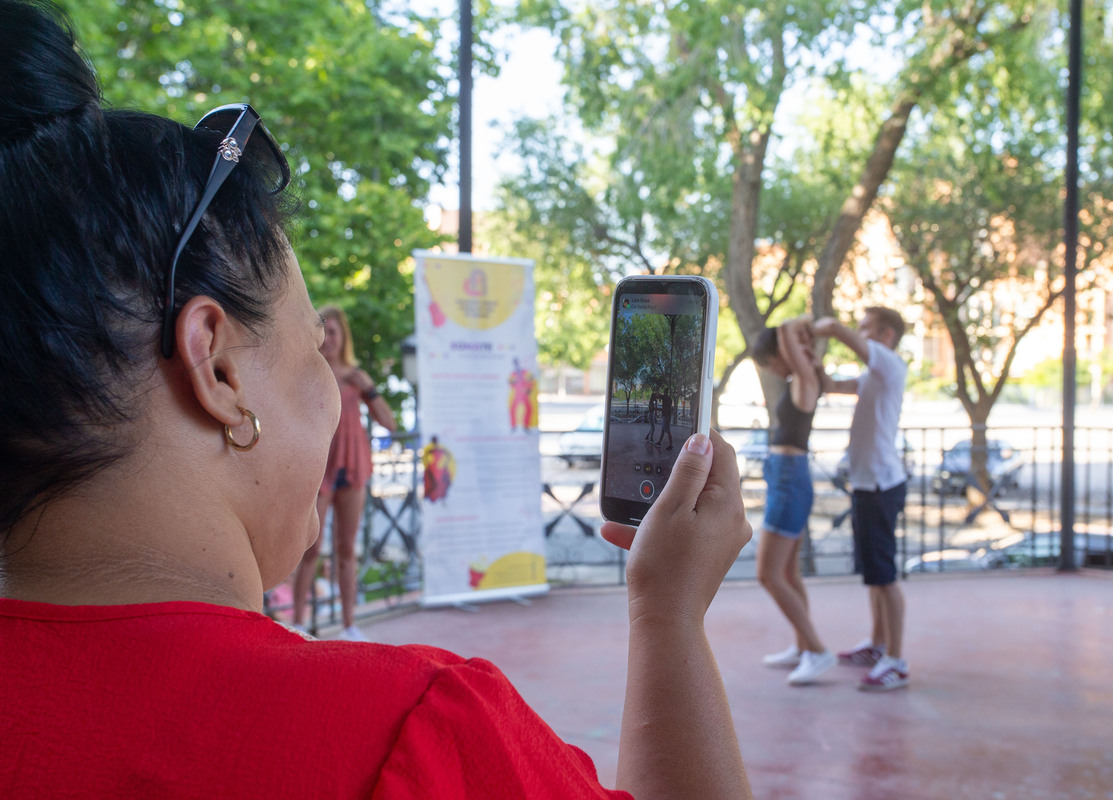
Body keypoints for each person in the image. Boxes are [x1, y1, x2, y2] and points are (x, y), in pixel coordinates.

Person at [0, 2, 754, 796]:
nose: (328, 386)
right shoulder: (411, 730)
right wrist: (667, 616)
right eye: (308, 355)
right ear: (215, 368)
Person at [811, 307, 910, 692]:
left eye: (867, 327)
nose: (861, 333)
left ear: (886, 335)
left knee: (885, 577)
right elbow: (831, 386)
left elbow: (836, 328)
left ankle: (896, 661)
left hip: (882, 485)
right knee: (874, 574)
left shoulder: (888, 363)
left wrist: (818, 328)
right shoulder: (874, 373)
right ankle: (878, 644)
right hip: (869, 485)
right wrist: (814, 362)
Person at [291, 305, 397, 641]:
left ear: (343, 336)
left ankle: (350, 625)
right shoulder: (307, 373)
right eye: (324, 330)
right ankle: (297, 622)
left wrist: (369, 388)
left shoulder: (355, 376)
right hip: (318, 468)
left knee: (347, 549)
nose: (329, 337)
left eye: (334, 331)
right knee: (311, 547)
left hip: (352, 468)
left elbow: (389, 423)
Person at [749, 318, 835, 686]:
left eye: (769, 362)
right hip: (785, 476)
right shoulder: (798, 381)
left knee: (768, 574)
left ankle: (817, 650)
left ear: (781, 355)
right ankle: (804, 646)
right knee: (789, 574)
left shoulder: (805, 380)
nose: (770, 370)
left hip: (789, 479)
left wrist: (801, 327)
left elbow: (785, 330)